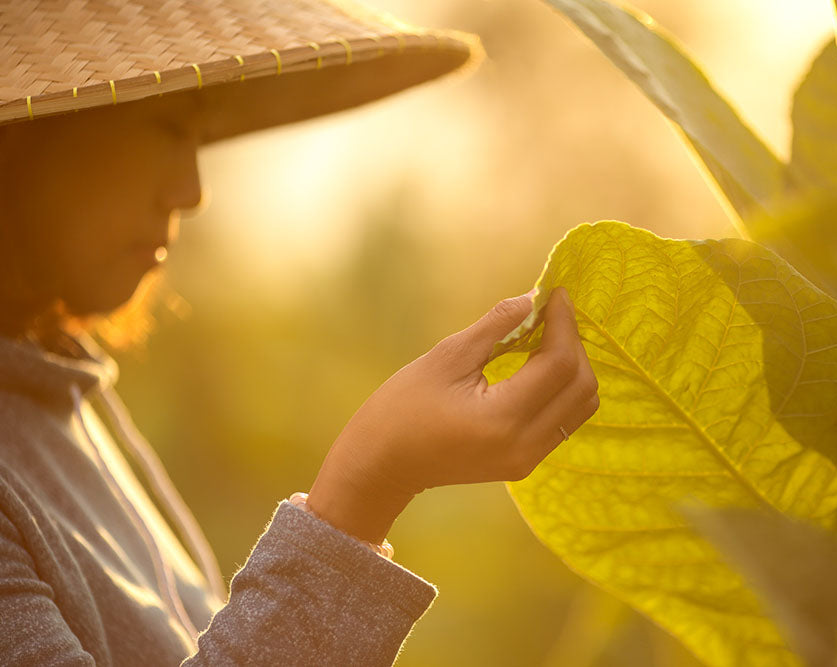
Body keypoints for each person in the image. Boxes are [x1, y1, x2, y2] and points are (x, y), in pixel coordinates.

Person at [0, 1, 599, 665]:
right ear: (23, 141)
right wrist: (367, 484)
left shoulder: (61, 392)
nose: (191, 190)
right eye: (166, 127)